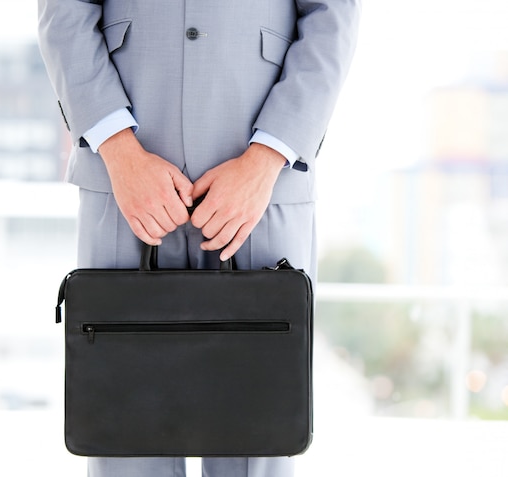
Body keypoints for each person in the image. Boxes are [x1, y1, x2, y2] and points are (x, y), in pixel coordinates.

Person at [38, 0, 360, 475]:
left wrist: (267, 157)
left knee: (259, 438)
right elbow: (64, 11)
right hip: (121, 181)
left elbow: (332, 17)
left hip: (264, 189)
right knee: (123, 434)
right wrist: (118, 148)